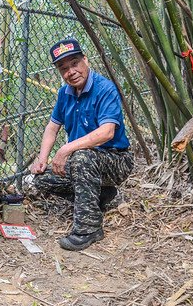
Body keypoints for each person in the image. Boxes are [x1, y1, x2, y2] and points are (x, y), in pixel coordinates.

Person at [30, 38, 134, 251]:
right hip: (84, 164)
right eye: (64, 68)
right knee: (41, 180)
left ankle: (89, 228)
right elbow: (52, 127)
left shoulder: (104, 88)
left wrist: (66, 148)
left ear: (86, 60)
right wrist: (42, 160)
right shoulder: (64, 94)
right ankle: (102, 195)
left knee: (81, 157)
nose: (71, 71)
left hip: (115, 160)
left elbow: (107, 132)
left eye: (75, 63)